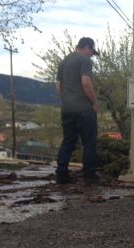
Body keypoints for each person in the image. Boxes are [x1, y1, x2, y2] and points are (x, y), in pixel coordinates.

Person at [55, 37, 101, 185]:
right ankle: (90, 175)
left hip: (67, 108)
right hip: (83, 109)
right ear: (87, 48)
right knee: (89, 142)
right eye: (92, 52)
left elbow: (58, 85)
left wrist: (67, 100)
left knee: (68, 141)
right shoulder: (84, 60)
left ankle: (61, 173)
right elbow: (86, 82)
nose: (91, 55)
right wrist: (94, 102)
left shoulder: (64, 62)